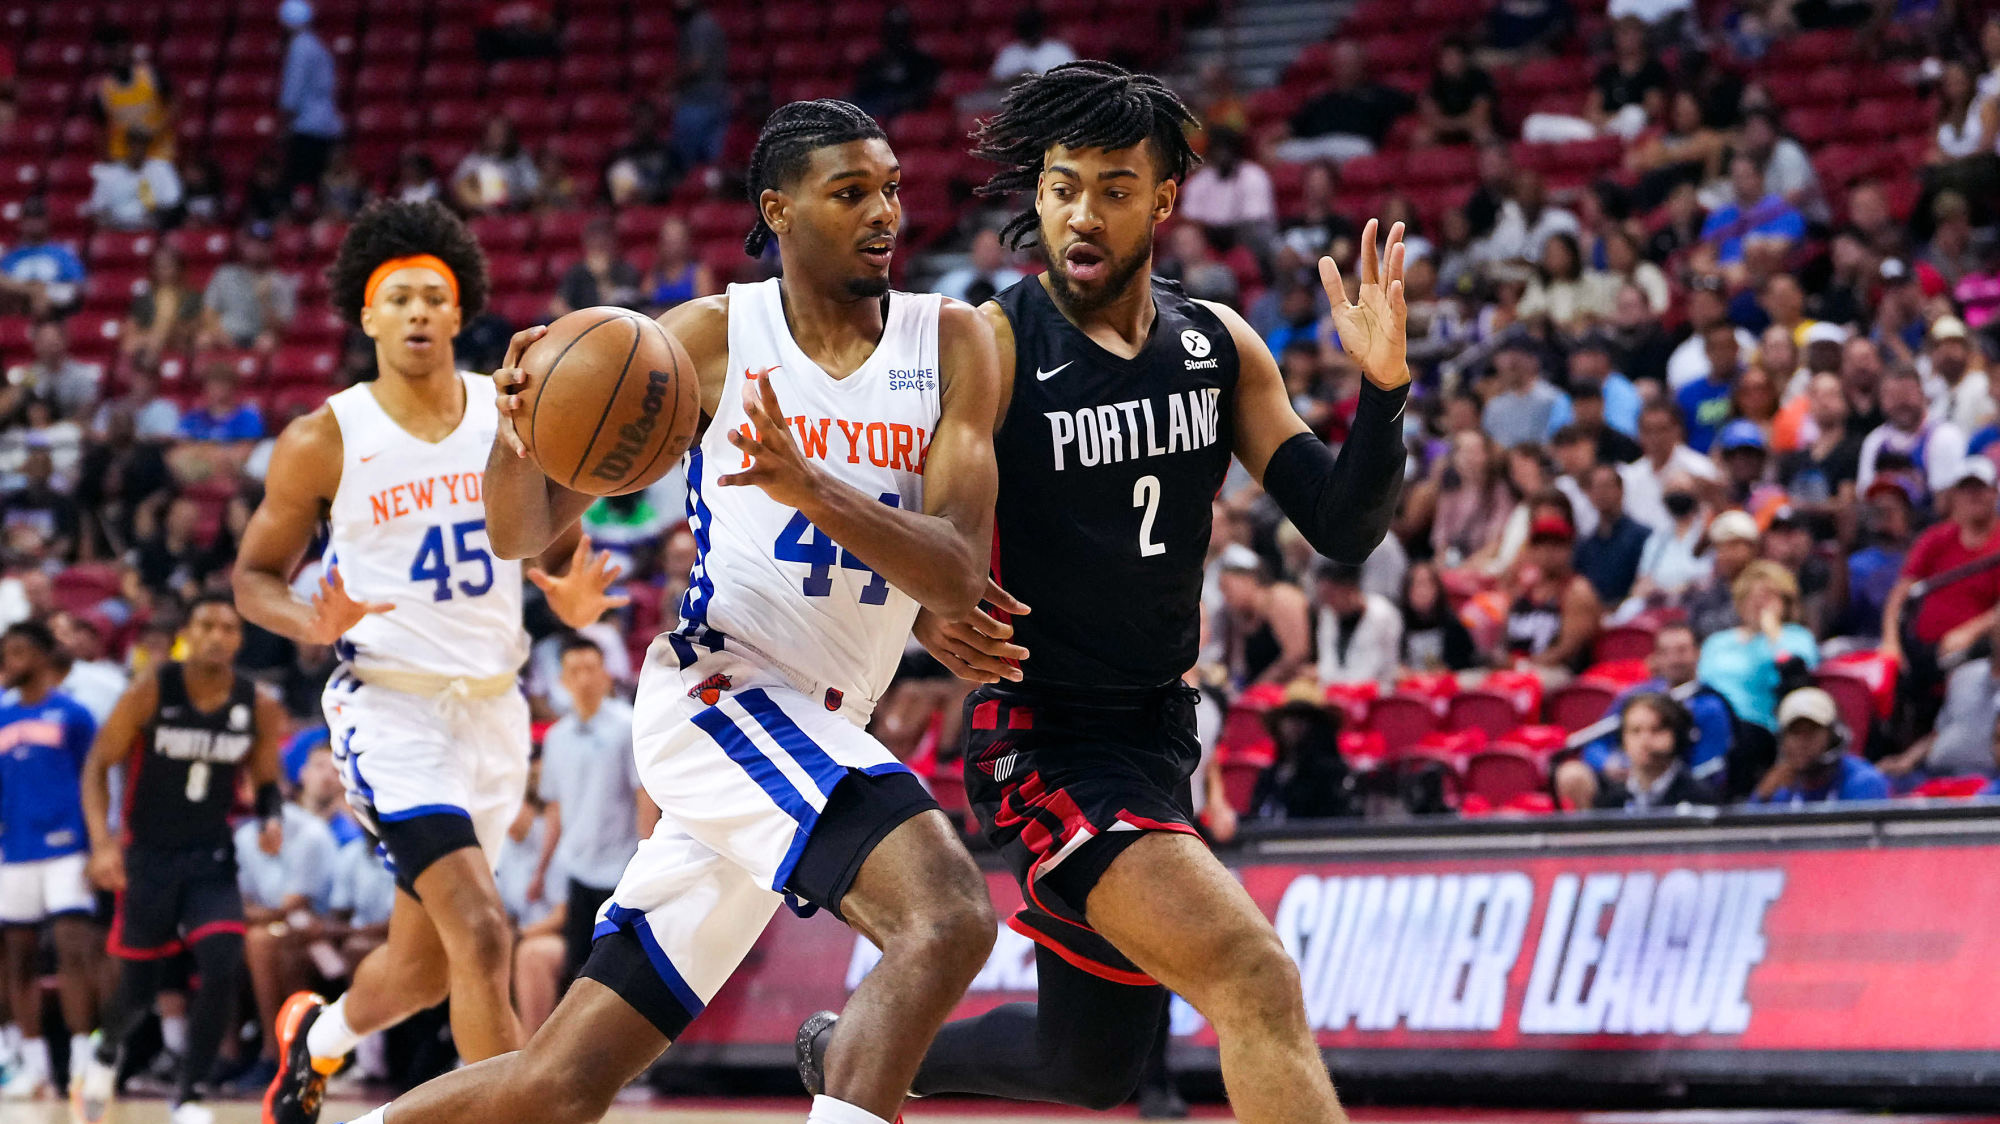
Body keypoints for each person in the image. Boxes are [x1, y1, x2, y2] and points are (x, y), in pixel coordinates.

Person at [334, 99, 1004, 1124]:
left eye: (892, 189)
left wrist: (811, 488)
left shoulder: (950, 337)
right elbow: (521, 534)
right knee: (948, 914)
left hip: (819, 725)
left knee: (558, 1084)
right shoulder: (708, 338)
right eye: (852, 192)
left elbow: (955, 570)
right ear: (778, 211)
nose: (885, 214)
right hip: (724, 697)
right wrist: (519, 431)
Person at [872, 62, 1408, 1122]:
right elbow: (944, 517)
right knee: (1250, 973)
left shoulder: (1215, 345)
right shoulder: (989, 342)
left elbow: (1341, 525)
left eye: (1114, 186)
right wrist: (937, 603)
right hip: (1046, 735)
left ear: (1163, 201)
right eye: (1062, 184)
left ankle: (856, 1046)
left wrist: (1382, 395)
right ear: (1036, 195)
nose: (1082, 211)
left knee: (1088, 1063)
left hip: (1161, 731)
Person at [233, 200, 626, 1124]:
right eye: (397, 297)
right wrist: (307, 618)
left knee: (419, 967)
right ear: (367, 317)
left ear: (459, 316)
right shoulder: (323, 437)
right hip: (389, 709)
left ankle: (316, 1041)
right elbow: (252, 578)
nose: (416, 312)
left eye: (433, 297)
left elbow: (546, 532)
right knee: (484, 936)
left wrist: (563, 582)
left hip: (494, 715)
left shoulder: (509, 411)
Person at [73, 595, 285, 1124]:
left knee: (221, 959)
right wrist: (102, 843)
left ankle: (188, 1095)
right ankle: (104, 1052)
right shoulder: (152, 691)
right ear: (187, 633)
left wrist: (270, 817)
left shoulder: (255, 704)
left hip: (210, 855)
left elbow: (265, 776)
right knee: (140, 987)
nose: (217, 636)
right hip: (147, 856)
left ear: (240, 640)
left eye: (229, 628)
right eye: (206, 625)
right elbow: (99, 764)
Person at [0, 621, 100, 1100]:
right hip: (15, 850)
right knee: (17, 957)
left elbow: (97, 780)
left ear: (42, 656)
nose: (10, 662)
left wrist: (101, 843)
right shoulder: (0, 717)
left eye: (19, 652)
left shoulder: (74, 715)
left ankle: (83, 1065)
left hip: (67, 846)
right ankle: (35, 1069)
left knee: (72, 950)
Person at [529, 636, 642, 981]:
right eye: (574, 671)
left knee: (622, 973)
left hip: (621, 871)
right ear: (562, 681)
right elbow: (555, 808)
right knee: (576, 971)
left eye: (591, 669)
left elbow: (645, 798)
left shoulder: (627, 727)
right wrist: (541, 869)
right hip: (577, 869)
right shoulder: (556, 737)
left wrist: (646, 860)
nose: (584, 678)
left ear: (606, 674)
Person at [1557, 623, 1737, 806]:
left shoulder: (1711, 704)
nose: (1674, 659)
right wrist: (1609, 763)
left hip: (1679, 786)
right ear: (1655, 658)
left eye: (1682, 651)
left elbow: (1709, 769)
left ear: (1697, 653)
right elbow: (1596, 743)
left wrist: (1660, 770)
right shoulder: (1636, 696)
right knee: (1572, 773)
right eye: (1665, 652)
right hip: (1626, 781)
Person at [1881, 459, 2000, 702]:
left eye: (1980, 489)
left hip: (1976, 655)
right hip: (1922, 654)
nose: (1973, 497)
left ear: (1994, 493)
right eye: (1966, 490)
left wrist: (1971, 632)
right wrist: (1890, 642)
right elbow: (1901, 592)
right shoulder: (1935, 539)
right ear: (1955, 496)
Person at [1699, 560, 1818, 777]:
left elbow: (1797, 680)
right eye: (1751, 597)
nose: (1758, 604)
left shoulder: (1795, 637)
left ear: (1785, 602)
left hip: (1759, 727)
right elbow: (1702, 684)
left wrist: (1773, 635)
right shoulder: (1717, 641)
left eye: (1768, 597)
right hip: (1711, 720)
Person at [1749, 686, 1889, 805]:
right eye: (1795, 733)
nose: (1802, 743)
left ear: (1833, 737)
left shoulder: (1864, 782)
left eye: (1812, 732)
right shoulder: (1779, 789)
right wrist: (1762, 796)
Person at [1857, 367, 1969, 511]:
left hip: (1931, 524)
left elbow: (1946, 504)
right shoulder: (1874, 442)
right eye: (1892, 396)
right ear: (1881, 400)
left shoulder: (1944, 435)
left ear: (1922, 394)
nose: (1900, 402)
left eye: (1906, 394)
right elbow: (1865, 496)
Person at [1502, 515, 1602, 676]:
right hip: (1517, 669)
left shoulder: (1577, 592)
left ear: (1569, 549)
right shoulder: (1523, 589)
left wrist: (1524, 667)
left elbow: (1567, 650)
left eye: (1556, 545)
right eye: (1540, 545)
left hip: (1559, 674)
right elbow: (1504, 639)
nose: (1548, 552)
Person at [1590, 694, 1719, 810]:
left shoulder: (1700, 797)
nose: (1645, 740)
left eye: (1656, 730)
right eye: (1635, 731)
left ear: (1678, 735)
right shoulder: (1610, 801)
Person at [1620, 401, 1722, 530]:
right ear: (1639, 434)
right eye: (1648, 431)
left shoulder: (1701, 469)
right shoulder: (1630, 475)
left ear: (1677, 430)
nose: (1655, 438)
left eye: (1662, 430)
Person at [277, 0, 343, 200]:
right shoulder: (318, 46)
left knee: (303, 184)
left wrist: (283, 125)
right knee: (319, 182)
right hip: (326, 124)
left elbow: (292, 93)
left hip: (307, 126)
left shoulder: (299, 47)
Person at [200, 223, 297, 352]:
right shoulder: (225, 274)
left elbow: (280, 329)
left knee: (267, 343)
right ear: (243, 245)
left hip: (257, 337)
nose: (257, 248)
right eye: (253, 243)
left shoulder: (281, 282)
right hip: (226, 334)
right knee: (203, 340)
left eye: (263, 244)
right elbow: (208, 313)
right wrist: (221, 336)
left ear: (271, 247)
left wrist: (265, 301)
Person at [1312, 561, 1400, 686]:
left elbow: (1374, 668)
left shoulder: (1382, 614)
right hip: (1335, 693)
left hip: (1375, 693)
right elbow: (1327, 665)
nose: (1328, 602)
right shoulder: (1328, 615)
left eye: (1330, 595)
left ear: (1349, 589)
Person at [1573, 462, 1650, 604]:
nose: (1601, 493)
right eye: (1595, 488)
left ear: (1620, 490)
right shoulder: (1585, 545)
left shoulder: (1642, 537)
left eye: (1607, 486)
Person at [0, 200, 86, 318]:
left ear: (47, 221)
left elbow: (77, 286)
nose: (34, 223)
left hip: (53, 309)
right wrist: (33, 290)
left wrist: (45, 291)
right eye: (29, 218)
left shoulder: (61, 253)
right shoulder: (12, 255)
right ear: (21, 223)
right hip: (17, 306)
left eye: (38, 218)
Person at [85, 127, 182, 230]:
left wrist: (154, 212)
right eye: (134, 143)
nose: (138, 148)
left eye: (142, 144)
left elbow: (173, 200)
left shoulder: (162, 168)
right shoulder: (110, 173)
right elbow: (98, 207)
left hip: (151, 228)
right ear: (127, 145)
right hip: (115, 229)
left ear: (147, 146)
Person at [549, 217, 641, 317]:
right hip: (582, 324)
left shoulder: (626, 271)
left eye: (603, 245)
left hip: (616, 324)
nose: (598, 251)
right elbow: (557, 306)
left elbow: (620, 306)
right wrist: (580, 323)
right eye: (594, 245)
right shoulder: (577, 272)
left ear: (613, 245)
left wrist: (602, 277)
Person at [1399, 560, 1476, 673]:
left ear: (1438, 589)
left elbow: (1466, 666)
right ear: (1407, 591)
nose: (1422, 592)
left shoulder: (1454, 626)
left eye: (1427, 584)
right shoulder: (1398, 625)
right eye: (1417, 585)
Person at [934, 229, 1025, 307]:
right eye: (983, 248)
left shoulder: (1015, 282)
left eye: (991, 249)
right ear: (973, 251)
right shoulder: (950, 282)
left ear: (1001, 253)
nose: (986, 254)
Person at [989, 9, 1075, 80]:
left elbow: (1074, 78)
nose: (1032, 36)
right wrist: (1017, 78)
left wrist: (1038, 77)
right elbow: (993, 82)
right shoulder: (1009, 52)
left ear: (1042, 29)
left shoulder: (1059, 50)